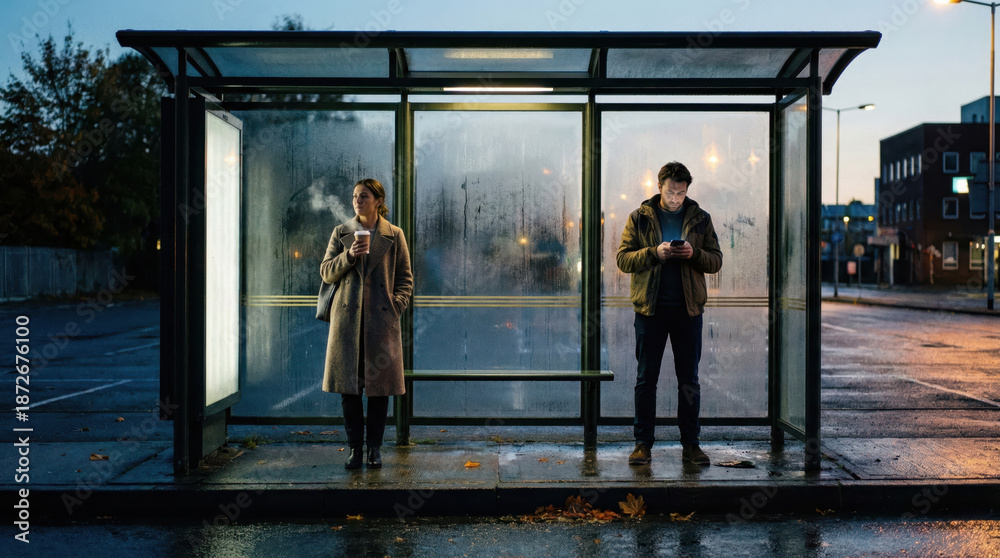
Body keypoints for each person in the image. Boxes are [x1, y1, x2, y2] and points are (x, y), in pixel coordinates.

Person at [615, 161, 723, 466]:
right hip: (650, 311)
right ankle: (642, 444)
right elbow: (623, 259)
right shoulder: (640, 217)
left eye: (681, 192)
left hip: (688, 312)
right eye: (671, 191)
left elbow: (716, 261)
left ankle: (691, 444)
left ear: (687, 189)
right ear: (659, 185)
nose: (675, 198)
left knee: (688, 379)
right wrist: (654, 253)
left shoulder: (701, 219)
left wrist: (694, 254)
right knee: (646, 379)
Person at [321, 178, 413, 469]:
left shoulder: (394, 235)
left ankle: (374, 449)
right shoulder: (342, 232)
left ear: (378, 200)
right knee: (349, 390)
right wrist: (349, 256)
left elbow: (405, 279)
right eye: (354, 196)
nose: (357, 200)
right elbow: (325, 272)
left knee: (379, 389)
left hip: (380, 323)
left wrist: (393, 308)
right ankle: (354, 449)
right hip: (347, 323)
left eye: (364, 196)